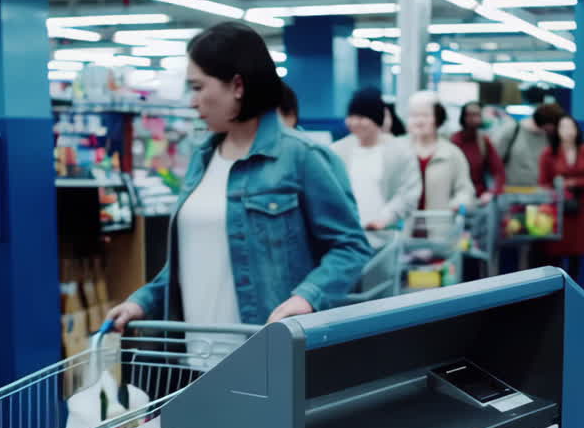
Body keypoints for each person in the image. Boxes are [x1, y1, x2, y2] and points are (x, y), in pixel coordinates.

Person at [105, 23, 371, 337]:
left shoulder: (302, 156)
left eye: (199, 87)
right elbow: (192, 258)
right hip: (194, 356)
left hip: (264, 355)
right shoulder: (202, 159)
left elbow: (351, 247)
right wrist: (143, 301)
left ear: (238, 86)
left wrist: (307, 297)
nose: (192, 102)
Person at [331, 87, 421, 246]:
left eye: (361, 117)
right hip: (346, 240)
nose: (354, 122)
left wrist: (385, 218)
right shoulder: (337, 151)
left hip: (386, 237)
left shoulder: (400, 152)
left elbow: (408, 192)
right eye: (351, 116)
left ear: (377, 119)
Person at [538, 114, 584, 279]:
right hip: (557, 210)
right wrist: (559, 188)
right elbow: (543, 183)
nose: (567, 131)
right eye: (563, 127)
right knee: (554, 257)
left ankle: (573, 295)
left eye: (571, 127)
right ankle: (555, 296)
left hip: (582, 209)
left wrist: (572, 183)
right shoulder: (548, 154)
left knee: (576, 257)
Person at [405, 91, 475, 212]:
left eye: (425, 115)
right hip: (403, 227)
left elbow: (465, 191)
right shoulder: (398, 150)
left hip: (439, 224)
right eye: (414, 115)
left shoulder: (452, 153)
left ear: (438, 118)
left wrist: (458, 204)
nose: (419, 121)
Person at [494, 101, 563, 189]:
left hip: (541, 192)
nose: (552, 130)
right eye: (552, 126)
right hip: (512, 192)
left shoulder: (549, 137)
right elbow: (495, 162)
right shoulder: (512, 131)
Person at [450, 101, 507, 206]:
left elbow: (499, 171)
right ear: (463, 117)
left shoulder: (483, 141)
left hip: (479, 200)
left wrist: (492, 192)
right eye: (470, 115)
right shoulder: (454, 141)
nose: (474, 119)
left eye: (477, 115)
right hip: (457, 199)